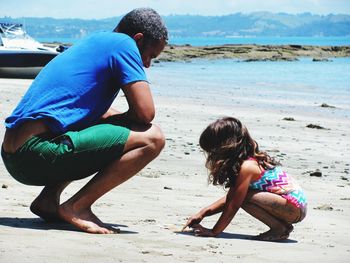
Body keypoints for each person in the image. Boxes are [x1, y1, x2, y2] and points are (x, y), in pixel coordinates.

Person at [1, 8, 168, 234]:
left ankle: (48, 200)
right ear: (138, 38)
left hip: (13, 153)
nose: (147, 64)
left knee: (110, 125)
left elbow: (79, 107)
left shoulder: (94, 42)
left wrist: (114, 120)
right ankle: (77, 207)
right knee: (152, 138)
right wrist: (123, 121)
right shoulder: (123, 44)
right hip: (35, 152)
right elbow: (146, 113)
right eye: (150, 55)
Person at [183, 117, 307, 241]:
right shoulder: (247, 162)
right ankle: (281, 227)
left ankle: (279, 229)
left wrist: (214, 231)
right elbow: (232, 197)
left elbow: (234, 204)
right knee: (242, 196)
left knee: (243, 198)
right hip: (292, 206)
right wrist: (204, 213)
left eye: (213, 151)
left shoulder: (247, 167)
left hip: (293, 206)